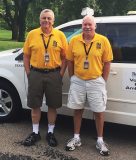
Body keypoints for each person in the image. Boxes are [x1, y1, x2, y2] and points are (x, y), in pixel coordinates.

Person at [65, 15, 113, 156]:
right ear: (82, 26)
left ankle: (100, 140)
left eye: (90, 24)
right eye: (85, 24)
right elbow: (70, 61)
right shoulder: (74, 40)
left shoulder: (103, 41)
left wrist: (103, 80)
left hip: (96, 81)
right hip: (78, 80)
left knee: (98, 112)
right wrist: (73, 77)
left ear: (95, 26)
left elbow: (108, 62)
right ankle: (76, 137)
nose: (87, 26)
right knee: (77, 110)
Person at [23, 9, 68, 147]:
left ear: (53, 21)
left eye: (49, 18)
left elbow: (65, 57)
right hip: (36, 73)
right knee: (35, 104)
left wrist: (60, 74)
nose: (46, 21)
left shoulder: (60, 35)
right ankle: (35, 133)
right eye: (44, 18)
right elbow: (26, 55)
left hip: (54, 74)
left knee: (52, 105)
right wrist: (29, 73)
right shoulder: (32, 34)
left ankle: (50, 132)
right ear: (40, 19)